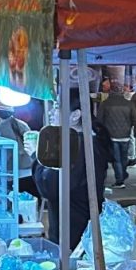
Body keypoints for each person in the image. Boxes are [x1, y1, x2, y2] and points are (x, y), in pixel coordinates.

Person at [33, 90, 108, 250]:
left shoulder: (78, 147)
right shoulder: (79, 142)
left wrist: (37, 154)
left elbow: (50, 188)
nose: (52, 112)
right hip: (73, 229)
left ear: (75, 115)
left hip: (74, 232)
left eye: (57, 107)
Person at [97, 82, 136, 188]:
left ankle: (120, 180)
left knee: (116, 159)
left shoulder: (105, 103)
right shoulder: (129, 104)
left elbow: (99, 120)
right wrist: (128, 126)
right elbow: (135, 119)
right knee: (124, 157)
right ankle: (122, 174)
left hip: (111, 136)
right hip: (125, 134)